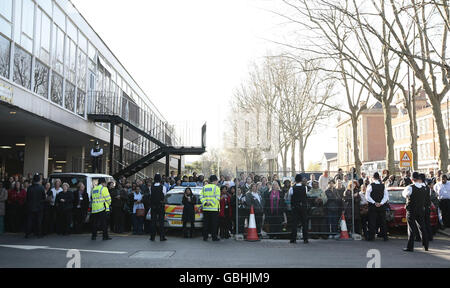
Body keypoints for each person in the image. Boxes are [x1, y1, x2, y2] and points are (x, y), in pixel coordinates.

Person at [402, 172, 429, 252]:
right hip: (420, 210)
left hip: (411, 210)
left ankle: (410, 247)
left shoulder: (410, 187)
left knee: (411, 228)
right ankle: (425, 246)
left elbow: (404, 194)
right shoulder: (425, 188)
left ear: (412, 179)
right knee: (422, 227)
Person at [366, 172, 389, 241]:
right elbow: (386, 196)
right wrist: (381, 203)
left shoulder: (370, 185)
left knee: (372, 221)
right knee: (383, 221)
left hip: (373, 206)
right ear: (379, 177)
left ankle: (371, 237)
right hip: (382, 206)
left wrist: (374, 202)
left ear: (373, 178)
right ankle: (385, 236)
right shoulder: (383, 186)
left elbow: (367, 196)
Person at [288, 174, 309, 244]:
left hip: (295, 207)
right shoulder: (305, 188)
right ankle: (305, 239)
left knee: (294, 223)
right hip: (303, 207)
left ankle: (293, 239)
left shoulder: (292, 188)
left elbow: (289, 196)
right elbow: (305, 196)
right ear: (301, 180)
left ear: (295, 180)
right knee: (304, 223)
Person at [199, 175, 221, 241]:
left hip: (206, 208)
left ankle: (205, 237)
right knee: (214, 224)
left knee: (206, 223)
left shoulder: (204, 187)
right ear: (214, 181)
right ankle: (214, 237)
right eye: (217, 180)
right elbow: (217, 198)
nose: (217, 182)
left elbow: (201, 197)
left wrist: (205, 203)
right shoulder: (216, 188)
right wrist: (211, 203)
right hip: (214, 209)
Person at [25, 174, 46, 238]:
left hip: (30, 206)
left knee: (29, 221)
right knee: (39, 221)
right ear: (39, 180)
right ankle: (38, 234)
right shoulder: (41, 188)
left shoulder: (29, 188)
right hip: (39, 207)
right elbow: (44, 197)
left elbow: (27, 198)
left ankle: (27, 233)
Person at [150, 174, 167, 241]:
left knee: (153, 222)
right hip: (160, 206)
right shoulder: (163, 187)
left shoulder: (151, 187)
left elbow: (151, 196)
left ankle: (152, 237)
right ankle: (162, 237)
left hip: (153, 206)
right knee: (161, 222)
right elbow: (164, 195)